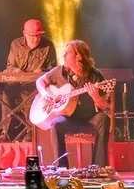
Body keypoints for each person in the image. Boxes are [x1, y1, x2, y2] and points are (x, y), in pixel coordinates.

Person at [34, 39, 112, 167]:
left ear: (78, 56)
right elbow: (40, 82)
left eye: (67, 53)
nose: (64, 56)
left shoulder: (95, 76)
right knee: (56, 124)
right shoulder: (59, 71)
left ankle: (98, 168)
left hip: (89, 119)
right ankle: (62, 168)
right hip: (68, 119)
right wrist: (45, 94)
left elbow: (104, 106)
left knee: (104, 119)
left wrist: (96, 97)